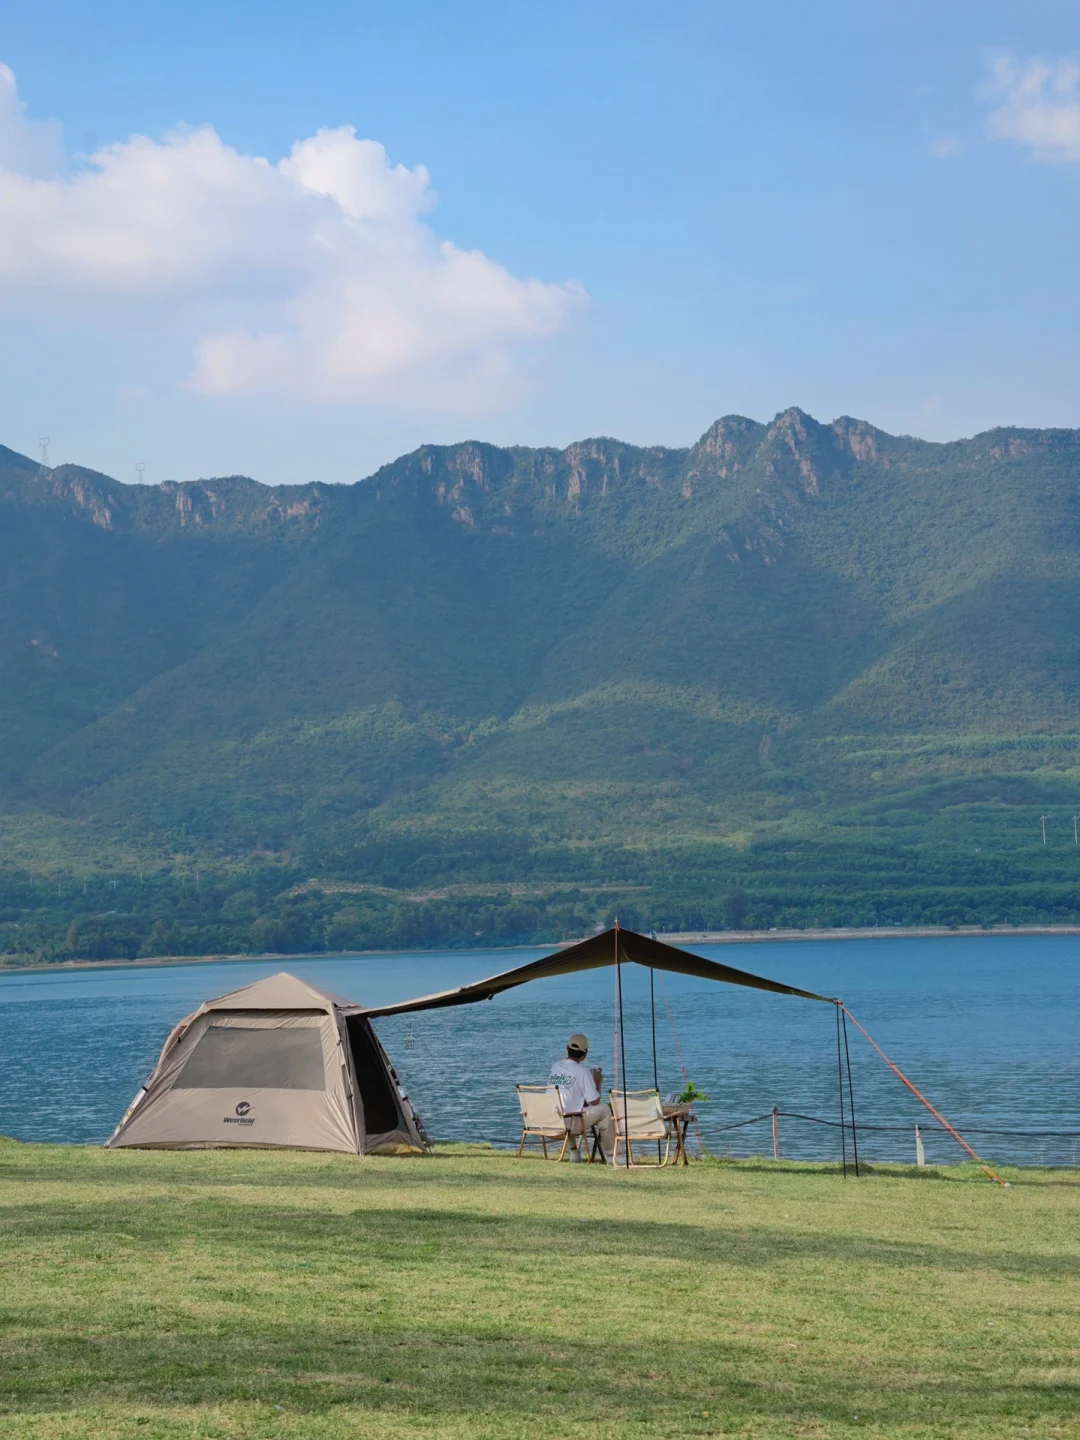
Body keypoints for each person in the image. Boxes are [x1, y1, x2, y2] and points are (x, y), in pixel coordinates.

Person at [548, 1033, 615, 1161]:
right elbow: (595, 1102)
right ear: (584, 1055)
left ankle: (574, 1152)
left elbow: (574, 1098)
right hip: (567, 1125)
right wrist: (596, 1082)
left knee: (568, 1107)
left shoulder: (555, 1067)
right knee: (605, 1109)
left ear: (566, 1049)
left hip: (548, 1122)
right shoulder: (582, 1071)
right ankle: (613, 1156)